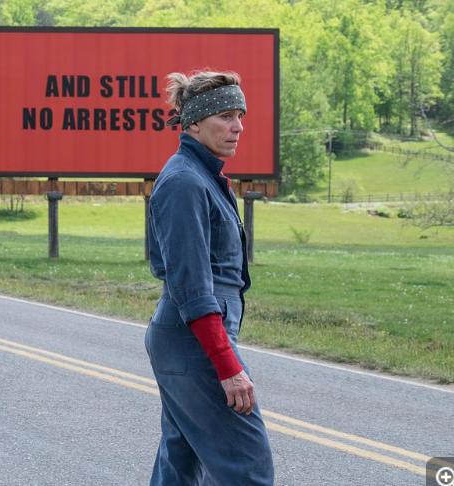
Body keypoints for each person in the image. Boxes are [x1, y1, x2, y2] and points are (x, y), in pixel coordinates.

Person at [144, 70, 275, 485]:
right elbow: (193, 289)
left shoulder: (201, 176)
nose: (238, 127)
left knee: (180, 464)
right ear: (194, 123)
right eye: (225, 116)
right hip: (193, 341)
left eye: (240, 116)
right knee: (247, 467)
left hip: (188, 340)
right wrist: (228, 366)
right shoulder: (184, 182)